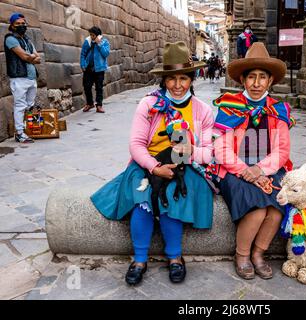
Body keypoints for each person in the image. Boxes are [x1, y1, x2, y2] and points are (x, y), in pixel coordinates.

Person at [90, 41, 214, 286]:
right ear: (163, 81)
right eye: (171, 79)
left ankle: (175, 257)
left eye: (183, 78)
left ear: (192, 78)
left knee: (173, 196)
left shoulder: (202, 110)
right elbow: (136, 144)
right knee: (143, 199)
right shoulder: (149, 105)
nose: (177, 85)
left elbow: (208, 154)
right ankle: (139, 259)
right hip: (147, 163)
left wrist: (189, 152)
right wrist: (154, 167)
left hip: (183, 165)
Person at [212, 42, 295, 280]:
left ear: (270, 81)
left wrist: (260, 169)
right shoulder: (229, 107)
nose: (256, 83)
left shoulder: (278, 111)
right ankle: (242, 255)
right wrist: (245, 170)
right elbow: (221, 147)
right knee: (257, 209)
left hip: (267, 166)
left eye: (262, 77)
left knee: (277, 208)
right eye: (251, 77)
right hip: (234, 169)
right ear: (242, 79)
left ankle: (259, 253)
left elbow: (282, 151)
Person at [4, 13, 41, 143]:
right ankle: (19, 133)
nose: (21, 26)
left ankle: (29, 130)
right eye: (18, 24)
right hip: (19, 78)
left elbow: (38, 58)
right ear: (12, 25)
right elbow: (25, 57)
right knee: (20, 105)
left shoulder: (27, 39)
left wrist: (30, 56)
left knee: (30, 105)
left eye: (23, 23)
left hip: (31, 77)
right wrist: (30, 56)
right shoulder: (10, 39)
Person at [80, 26, 110, 113]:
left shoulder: (104, 42)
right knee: (87, 86)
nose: (91, 37)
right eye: (90, 35)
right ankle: (90, 103)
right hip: (88, 68)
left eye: (93, 35)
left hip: (99, 69)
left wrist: (99, 44)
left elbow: (106, 54)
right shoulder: (87, 41)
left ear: (97, 35)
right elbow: (83, 54)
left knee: (99, 87)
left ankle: (99, 105)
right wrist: (82, 64)